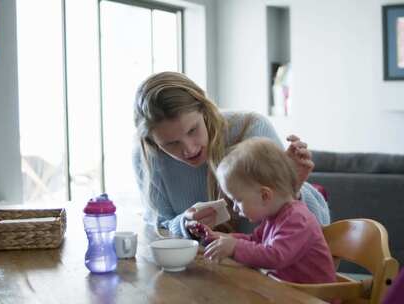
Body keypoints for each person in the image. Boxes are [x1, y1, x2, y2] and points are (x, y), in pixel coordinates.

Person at [133, 71, 329, 238]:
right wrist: (184, 225)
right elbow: (158, 229)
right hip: (199, 274)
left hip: (267, 272)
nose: (189, 149)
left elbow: (321, 229)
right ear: (152, 142)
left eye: (193, 130)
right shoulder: (147, 158)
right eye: (171, 143)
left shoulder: (250, 128)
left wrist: (292, 188)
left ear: (204, 110)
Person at [199, 137, 337, 285]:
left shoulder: (298, 219)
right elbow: (255, 241)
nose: (234, 208)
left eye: (237, 201)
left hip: (316, 298)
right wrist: (223, 239)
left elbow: (276, 255)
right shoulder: (275, 216)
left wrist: (234, 247)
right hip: (289, 291)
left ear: (265, 195)